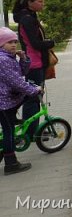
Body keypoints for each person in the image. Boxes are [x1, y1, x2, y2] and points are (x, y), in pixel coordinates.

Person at [0, 27, 43, 175]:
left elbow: (22, 73)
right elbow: (16, 82)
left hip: (8, 98)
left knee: (24, 98)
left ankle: (13, 118)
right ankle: (11, 164)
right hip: (3, 102)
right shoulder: (3, 59)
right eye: (9, 42)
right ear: (1, 45)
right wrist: (33, 90)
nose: (13, 45)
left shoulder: (9, 57)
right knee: (9, 132)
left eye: (15, 42)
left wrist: (23, 59)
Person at [12, 0, 55, 138]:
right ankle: (31, 133)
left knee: (35, 97)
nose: (43, 4)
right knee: (33, 98)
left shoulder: (29, 16)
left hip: (35, 62)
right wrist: (50, 42)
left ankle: (31, 129)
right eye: (40, 1)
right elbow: (35, 44)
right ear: (30, 3)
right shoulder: (27, 19)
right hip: (34, 64)